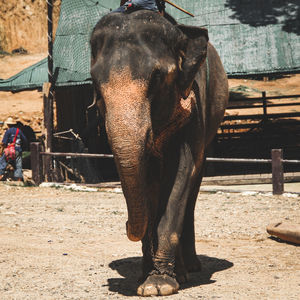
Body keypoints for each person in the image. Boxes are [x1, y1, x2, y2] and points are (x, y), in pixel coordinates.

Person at [0, 117, 27, 181]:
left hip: (9, 150)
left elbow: (4, 142)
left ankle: (0, 175)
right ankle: (19, 179)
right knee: (18, 164)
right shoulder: (19, 131)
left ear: (8, 124)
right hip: (18, 149)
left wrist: (2, 150)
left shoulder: (8, 131)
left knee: (2, 161)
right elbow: (25, 140)